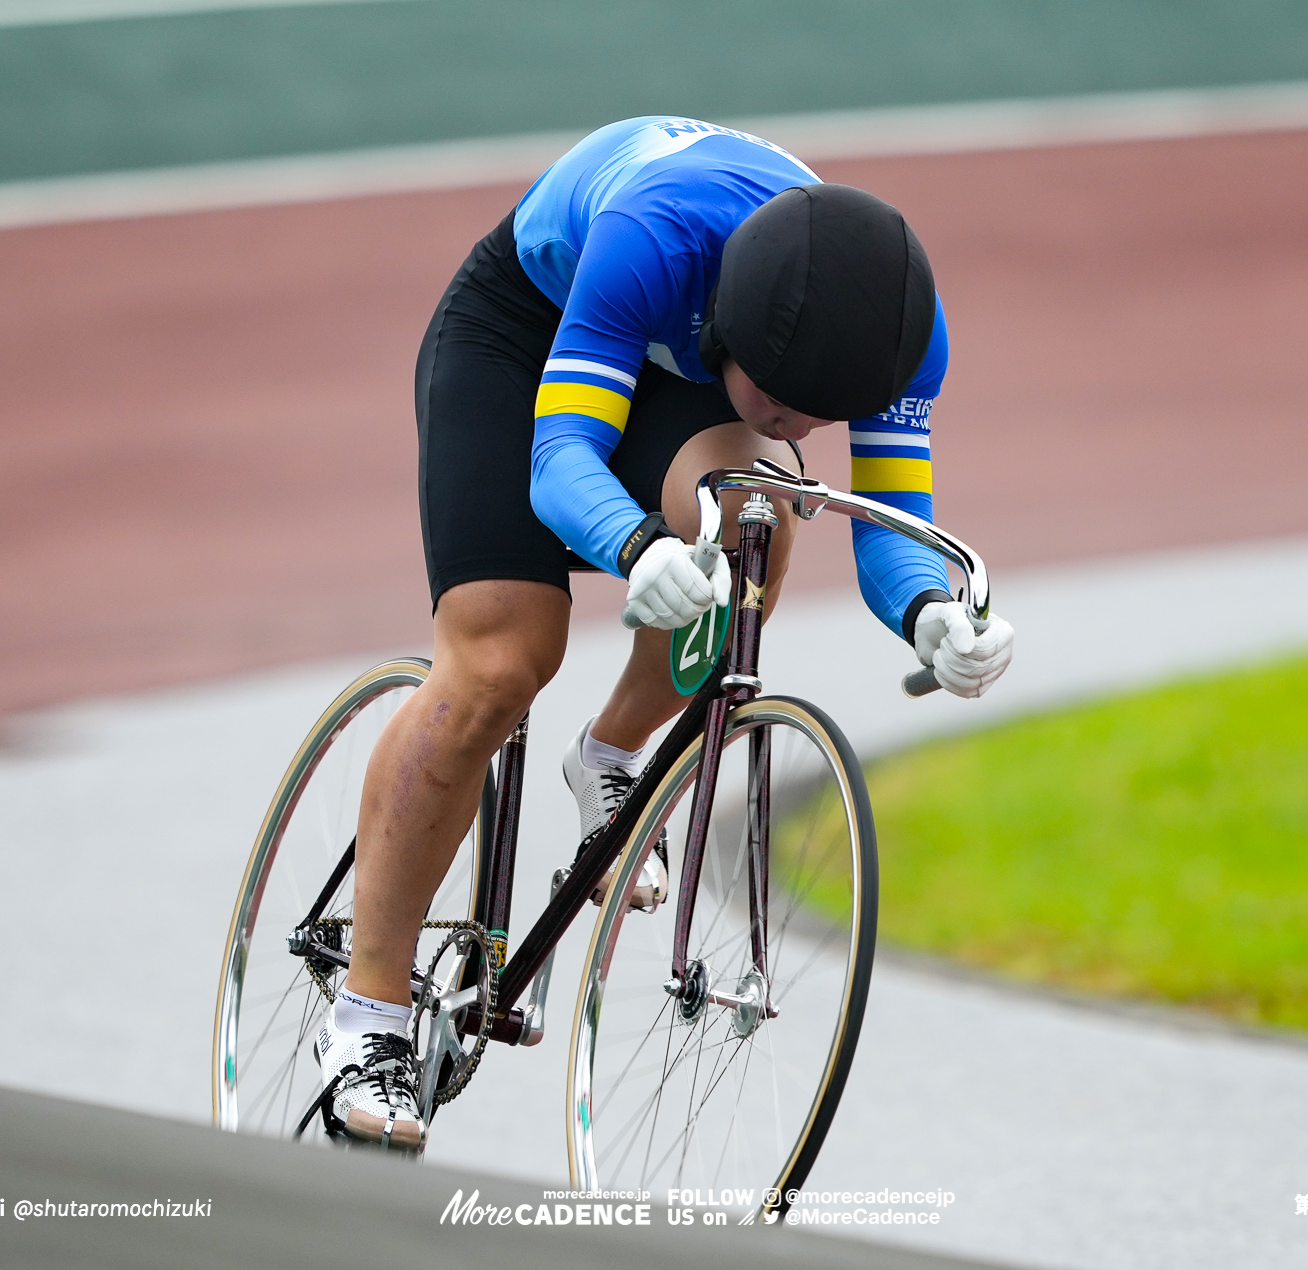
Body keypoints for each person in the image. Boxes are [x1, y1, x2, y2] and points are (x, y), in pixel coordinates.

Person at [313, 117, 1016, 1150]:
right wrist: (637, 545)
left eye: (831, 416)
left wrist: (931, 614)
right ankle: (367, 1013)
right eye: (787, 406)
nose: (807, 430)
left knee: (760, 512)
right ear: (732, 340)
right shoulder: (657, 237)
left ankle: (608, 751)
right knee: (502, 663)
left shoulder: (899, 330)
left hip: (690, 352)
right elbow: (560, 460)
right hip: (528, 328)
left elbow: (885, 531)